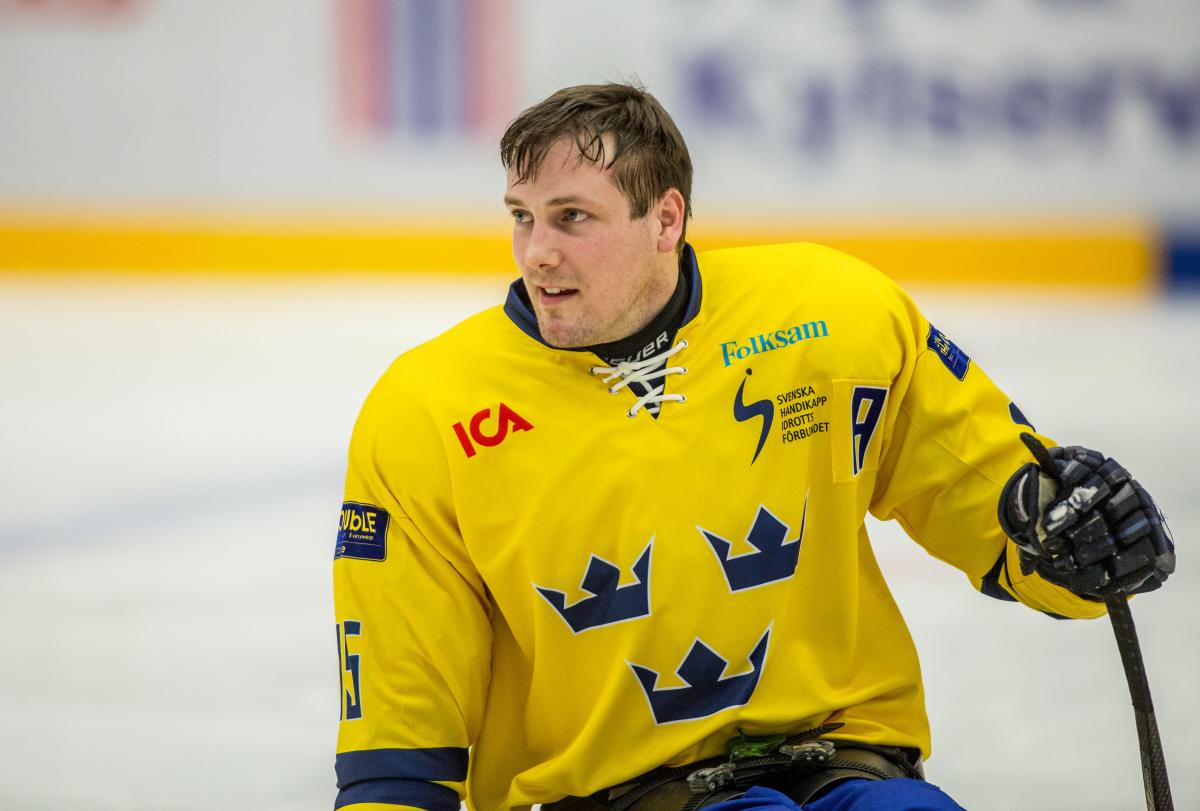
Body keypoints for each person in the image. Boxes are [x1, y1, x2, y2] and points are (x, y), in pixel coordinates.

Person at [331, 83, 1175, 811]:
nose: (535, 253)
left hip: (850, 764)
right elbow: (401, 719)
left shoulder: (832, 317)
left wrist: (1070, 538)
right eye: (521, 218)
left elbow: (993, 505)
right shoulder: (429, 409)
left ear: (665, 219)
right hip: (616, 793)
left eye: (572, 218)